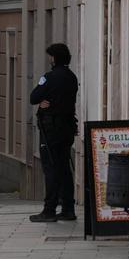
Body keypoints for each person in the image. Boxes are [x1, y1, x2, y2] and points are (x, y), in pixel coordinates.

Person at [29, 43, 79, 222]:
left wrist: (43, 99)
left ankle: (49, 209)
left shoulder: (49, 77)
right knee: (64, 168)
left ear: (54, 58)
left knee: (50, 168)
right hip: (67, 128)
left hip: (51, 129)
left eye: (50, 56)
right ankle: (68, 208)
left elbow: (33, 97)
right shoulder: (72, 77)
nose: (49, 59)